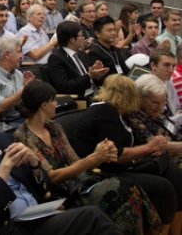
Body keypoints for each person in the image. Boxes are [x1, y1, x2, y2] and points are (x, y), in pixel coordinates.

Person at [0, 107, 122, 235]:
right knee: (92, 217)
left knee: (108, 201)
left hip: (40, 213)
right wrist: (3, 170)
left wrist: (34, 164)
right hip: (11, 226)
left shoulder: (1, 139)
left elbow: (45, 189)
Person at [15, 81, 163, 235]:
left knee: (130, 189)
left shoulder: (54, 127)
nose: (56, 104)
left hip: (80, 182)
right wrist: (93, 159)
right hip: (60, 194)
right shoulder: (23, 136)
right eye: (53, 100)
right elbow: (52, 176)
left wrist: (100, 155)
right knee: (124, 192)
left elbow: (75, 160)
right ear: (44, 105)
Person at [74, 75, 182, 233]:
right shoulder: (105, 111)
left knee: (176, 176)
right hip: (102, 173)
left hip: (123, 166)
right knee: (163, 188)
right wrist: (149, 147)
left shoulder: (112, 111)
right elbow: (116, 155)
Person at [0, 37, 35, 127]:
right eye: (18, 52)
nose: (21, 56)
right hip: (6, 123)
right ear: (7, 55)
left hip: (25, 117)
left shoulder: (18, 74)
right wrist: (26, 90)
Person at [126, 74, 182, 164]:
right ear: (140, 98)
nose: (160, 107)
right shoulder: (134, 116)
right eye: (155, 103)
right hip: (164, 161)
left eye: (163, 101)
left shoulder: (156, 112)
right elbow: (156, 145)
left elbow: (174, 130)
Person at [47, 21, 108, 99]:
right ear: (72, 39)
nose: (84, 38)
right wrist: (89, 76)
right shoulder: (56, 58)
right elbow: (64, 87)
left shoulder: (82, 54)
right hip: (81, 99)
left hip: (96, 93)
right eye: (81, 35)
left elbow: (93, 80)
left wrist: (97, 75)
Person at [87, 16, 129, 81]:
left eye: (114, 30)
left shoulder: (115, 50)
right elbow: (101, 79)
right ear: (98, 33)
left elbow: (125, 69)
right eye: (109, 30)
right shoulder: (94, 53)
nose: (113, 33)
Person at [149, 49, 182, 126]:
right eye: (166, 65)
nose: (171, 70)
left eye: (173, 66)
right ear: (153, 65)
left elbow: (176, 109)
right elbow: (159, 121)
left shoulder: (168, 80)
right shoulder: (148, 87)